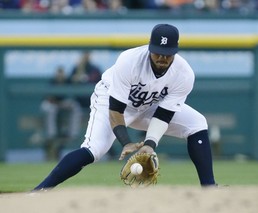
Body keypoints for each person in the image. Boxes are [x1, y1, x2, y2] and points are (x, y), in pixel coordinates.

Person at [34, 23, 216, 190]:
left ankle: (209, 187)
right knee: (95, 149)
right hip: (110, 99)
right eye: (157, 52)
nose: (162, 57)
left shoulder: (184, 74)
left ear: (175, 51)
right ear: (149, 47)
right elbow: (115, 109)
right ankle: (39, 190)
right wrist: (126, 142)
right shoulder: (130, 60)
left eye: (167, 53)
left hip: (150, 106)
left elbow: (164, 115)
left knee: (197, 124)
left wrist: (150, 144)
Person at [40, 66, 82, 161]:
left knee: (74, 106)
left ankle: (73, 132)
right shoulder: (52, 81)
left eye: (62, 73)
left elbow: (72, 91)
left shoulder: (67, 80)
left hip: (62, 105)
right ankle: (51, 134)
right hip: (52, 104)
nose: (60, 75)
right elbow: (47, 97)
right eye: (59, 73)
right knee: (49, 108)